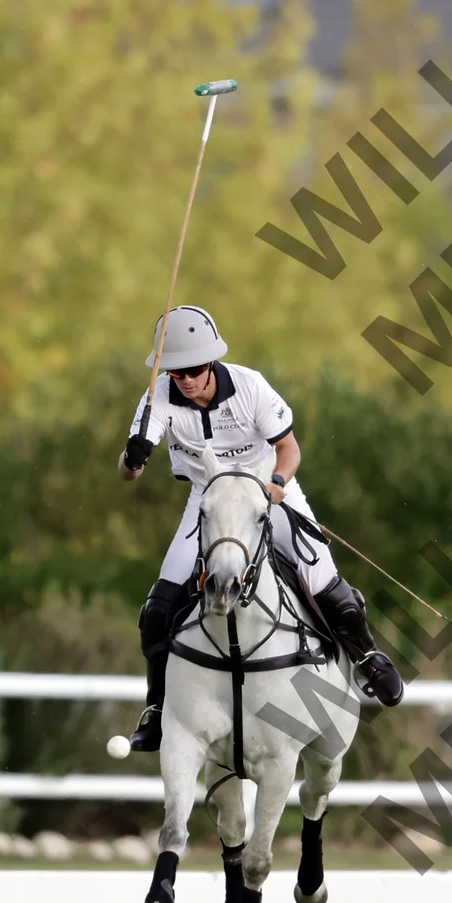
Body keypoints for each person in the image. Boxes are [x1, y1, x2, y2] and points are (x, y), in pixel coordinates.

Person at [119, 305, 405, 753]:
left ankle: (367, 656)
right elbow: (128, 474)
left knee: (320, 576)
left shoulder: (249, 386)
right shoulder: (157, 398)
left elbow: (289, 448)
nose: (186, 380)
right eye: (176, 372)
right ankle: (156, 707)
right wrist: (133, 458)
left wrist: (277, 482)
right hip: (208, 498)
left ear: (211, 362)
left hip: (268, 489)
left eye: (193, 370)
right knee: (158, 606)